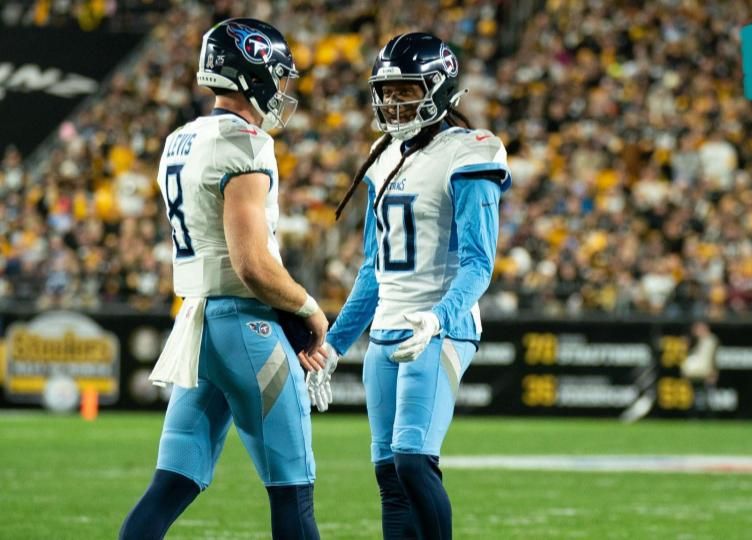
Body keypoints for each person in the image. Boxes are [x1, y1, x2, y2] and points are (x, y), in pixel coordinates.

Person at [119, 18, 336, 540]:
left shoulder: (181, 138)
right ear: (253, 71)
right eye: (277, 75)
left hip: (198, 325)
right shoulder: (246, 143)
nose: (282, 89)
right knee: (293, 489)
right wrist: (308, 307)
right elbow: (252, 265)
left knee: (172, 482)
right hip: (246, 326)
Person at [325, 32, 511, 540]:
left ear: (439, 87)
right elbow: (373, 267)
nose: (392, 101)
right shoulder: (382, 154)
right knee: (388, 473)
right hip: (386, 328)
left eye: (406, 90)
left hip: (439, 327)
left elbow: (479, 263)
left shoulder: (471, 150)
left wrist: (437, 318)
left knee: (412, 460)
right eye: (386, 91)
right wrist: (333, 345)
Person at [680, 321, 719, 418]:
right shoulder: (694, 341)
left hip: (706, 371)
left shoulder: (711, 340)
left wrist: (714, 371)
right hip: (694, 372)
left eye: (700, 328)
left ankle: (709, 417)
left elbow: (714, 357)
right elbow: (688, 356)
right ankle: (693, 416)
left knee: (708, 396)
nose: (698, 331)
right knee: (693, 395)